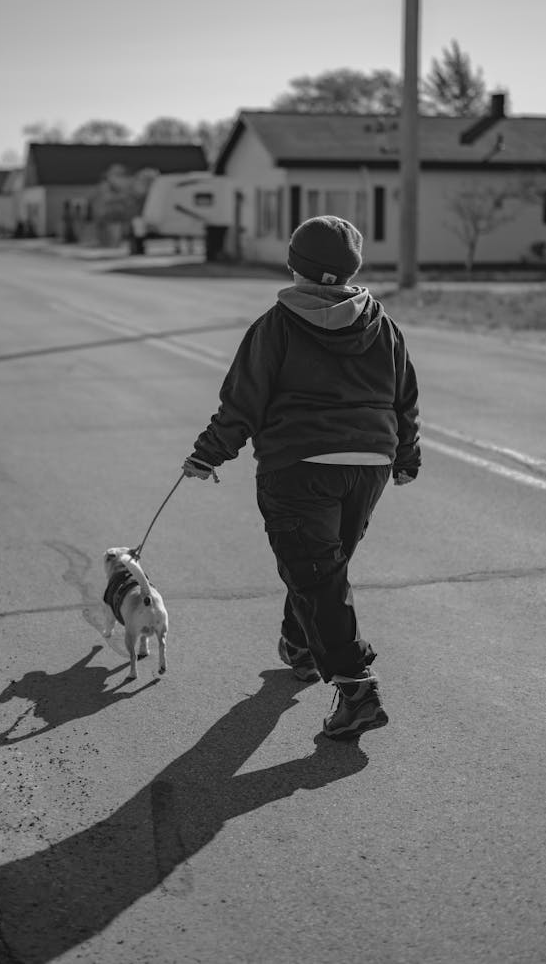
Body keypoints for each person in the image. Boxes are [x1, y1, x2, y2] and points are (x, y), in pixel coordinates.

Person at [182, 215, 420, 740]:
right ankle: (301, 647)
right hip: (368, 466)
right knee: (322, 567)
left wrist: (207, 455)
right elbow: (405, 397)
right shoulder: (381, 323)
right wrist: (406, 456)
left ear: (295, 266)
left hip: (299, 466)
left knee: (317, 573)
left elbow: (243, 402)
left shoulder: (277, 325)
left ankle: (357, 686)